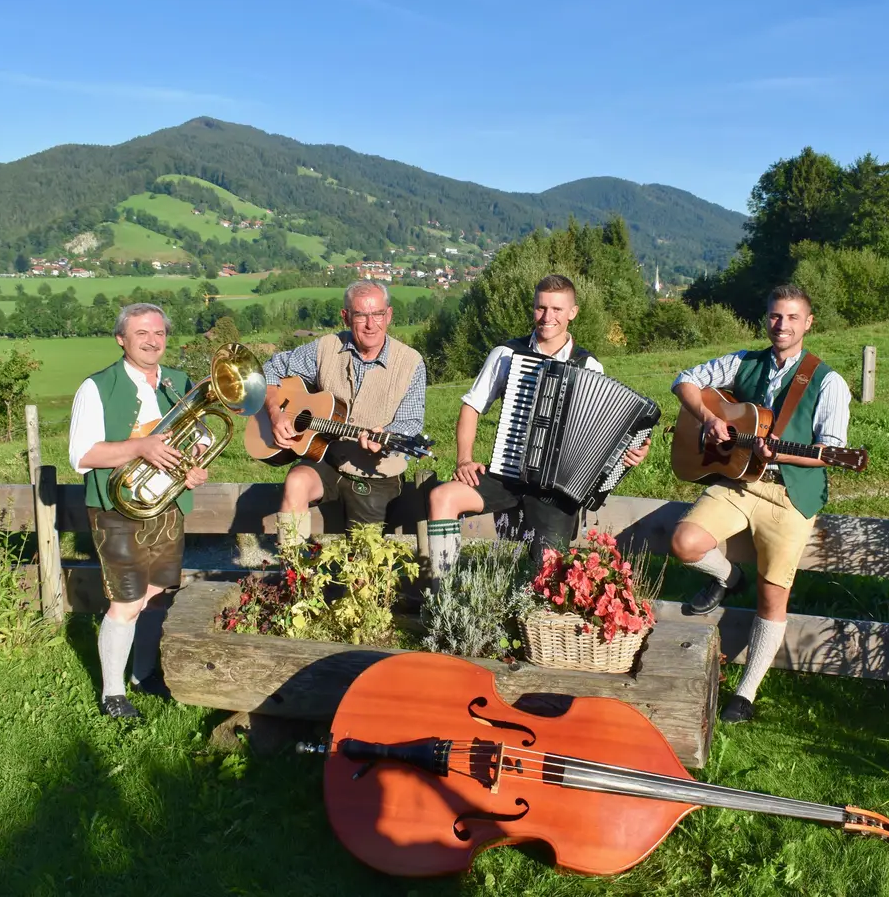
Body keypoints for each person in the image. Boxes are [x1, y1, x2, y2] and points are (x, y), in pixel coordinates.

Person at [669, 284, 851, 724]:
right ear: (765, 317)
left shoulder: (828, 382)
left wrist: (779, 453)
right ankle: (729, 578)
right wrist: (712, 419)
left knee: (773, 596)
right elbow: (684, 381)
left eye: (791, 318)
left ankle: (745, 694)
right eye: (774, 316)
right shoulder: (743, 361)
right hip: (738, 482)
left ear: (808, 322)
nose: (781, 325)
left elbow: (832, 449)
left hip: (790, 493)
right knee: (684, 542)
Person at [425, 274, 649, 579]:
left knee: (547, 572)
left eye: (557, 309)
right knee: (442, 497)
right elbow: (471, 407)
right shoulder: (508, 354)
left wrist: (628, 453)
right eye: (541, 308)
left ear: (573, 312)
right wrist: (464, 458)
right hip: (509, 474)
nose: (547, 317)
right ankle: (442, 593)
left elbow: (602, 435)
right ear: (533, 308)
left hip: (556, 489)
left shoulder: (589, 366)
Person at [69, 303, 209, 718]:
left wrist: (195, 464)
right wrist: (141, 446)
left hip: (167, 503)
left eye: (159, 333)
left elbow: (197, 437)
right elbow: (83, 454)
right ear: (121, 340)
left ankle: (142, 674)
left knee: (155, 595)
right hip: (117, 507)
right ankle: (113, 693)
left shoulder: (180, 382)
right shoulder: (96, 387)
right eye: (141, 334)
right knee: (126, 601)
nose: (152, 341)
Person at [261, 280, 427, 550]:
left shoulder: (410, 362)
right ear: (346, 316)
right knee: (296, 481)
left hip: (376, 472)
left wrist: (386, 437)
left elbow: (411, 422)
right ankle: (294, 574)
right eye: (361, 315)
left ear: (389, 315)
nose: (371, 324)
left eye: (378, 315)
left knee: (364, 561)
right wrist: (275, 414)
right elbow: (272, 367)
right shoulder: (325, 347)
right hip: (327, 458)